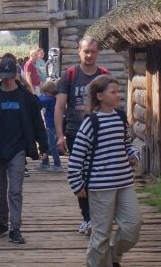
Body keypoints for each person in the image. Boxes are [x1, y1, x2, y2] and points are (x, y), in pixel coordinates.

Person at [0, 57, 49, 245]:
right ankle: (2, 222)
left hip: (17, 150)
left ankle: (15, 228)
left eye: (9, 77)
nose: (6, 80)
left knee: (15, 190)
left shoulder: (26, 97)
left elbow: (37, 123)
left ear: (15, 75)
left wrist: (44, 146)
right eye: (3, 77)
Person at [67, 75, 141, 267]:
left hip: (124, 183)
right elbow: (76, 156)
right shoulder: (91, 122)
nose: (118, 95)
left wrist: (134, 156)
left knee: (132, 227)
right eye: (113, 92)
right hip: (100, 187)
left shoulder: (120, 117)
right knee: (100, 235)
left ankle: (114, 257)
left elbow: (127, 144)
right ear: (99, 96)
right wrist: (77, 185)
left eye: (118, 91)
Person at [55, 36, 109, 234]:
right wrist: (60, 135)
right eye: (86, 51)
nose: (89, 55)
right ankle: (86, 217)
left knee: (99, 174)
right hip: (75, 130)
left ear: (97, 53)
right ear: (79, 51)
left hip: (99, 132)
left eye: (93, 52)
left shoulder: (103, 75)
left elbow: (111, 104)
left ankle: (97, 217)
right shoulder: (69, 75)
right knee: (81, 175)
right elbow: (60, 106)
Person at [37, 80, 62, 172]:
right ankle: (45, 162)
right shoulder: (53, 98)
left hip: (51, 125)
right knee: (46, 144)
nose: (44, 94)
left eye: (45, 92)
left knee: (51, 145)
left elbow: (39, 102)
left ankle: (57, 164)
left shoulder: (50, 99)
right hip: (49, 125)